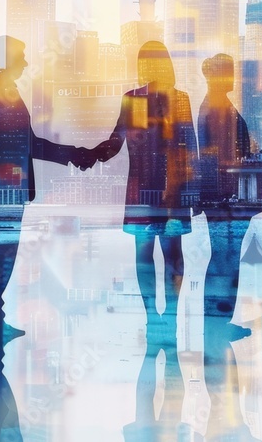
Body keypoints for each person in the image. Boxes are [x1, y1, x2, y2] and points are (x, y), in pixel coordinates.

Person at [0, 36, 89, 436]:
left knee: (2, 250)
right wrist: (73, 152)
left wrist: (71, 152)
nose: (27, 62)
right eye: (22, 57)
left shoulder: (2, 90)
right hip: (4, 184)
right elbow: (25, 143)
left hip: (9, 184)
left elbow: (25, 142)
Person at [90, 41, 199, 345]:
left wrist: (90, 156)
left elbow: (189, 147)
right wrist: (91, 155)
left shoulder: (169, 99)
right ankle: (159, 316)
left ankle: (160, 316)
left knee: (156, 254)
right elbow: (118, 140)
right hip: (160, 190)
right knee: (162, 254)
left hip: (161, 189)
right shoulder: (152, 99)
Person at [198, 54, 262, 343]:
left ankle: (217, 319)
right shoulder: (215, 108)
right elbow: (217, 157)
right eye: (227, 72)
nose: (232, 78)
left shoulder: (217, 106)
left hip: (224, 195)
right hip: (226, 197)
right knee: (224, 260)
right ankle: (216, 319)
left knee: (224, 259)